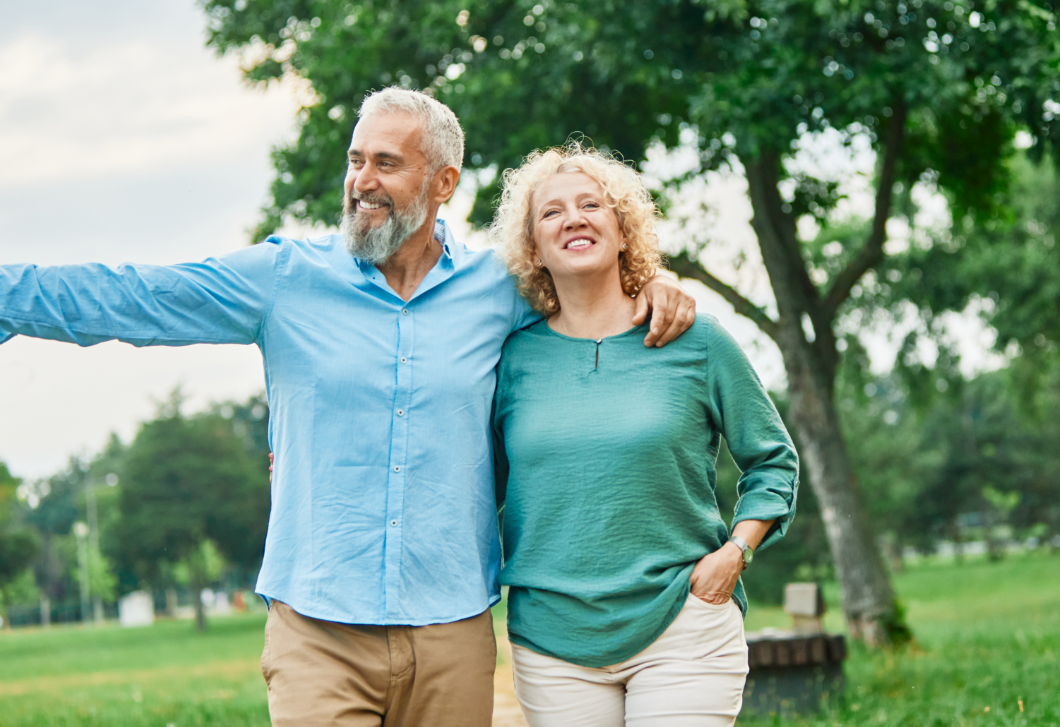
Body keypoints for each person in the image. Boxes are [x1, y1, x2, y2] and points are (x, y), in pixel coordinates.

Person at [0, 89, 696, 727]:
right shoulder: (285, 279)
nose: (362, 181)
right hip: (318, 633)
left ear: (442, 182)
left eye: (386, 164)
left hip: (449, 632)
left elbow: (590, 294)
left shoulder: (500, 291)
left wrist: (655, 284)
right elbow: (132, 296)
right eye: (356, 159)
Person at [490, 144, 800, 726]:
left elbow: (773, 460)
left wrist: (736, 551)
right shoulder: (511, 361)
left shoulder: (696, 341)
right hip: (551, 638)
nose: (574, 218)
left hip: (684, 618)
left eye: (591, 204)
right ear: (532, 247)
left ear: (624, 229)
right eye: (551, 212)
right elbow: (473, 483)